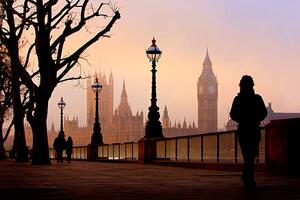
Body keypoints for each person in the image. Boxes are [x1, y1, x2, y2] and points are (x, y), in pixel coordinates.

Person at [230, 75, 267, 190]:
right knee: (250, 156)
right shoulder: (257, 98)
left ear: (240, 85)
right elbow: (264, 113)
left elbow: (232, 114)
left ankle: (247, 178)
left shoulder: (237, 99)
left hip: (243, 130)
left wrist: (242, 119)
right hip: (254, 129)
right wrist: (255, 119)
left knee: (248, 156)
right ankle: (249, 179)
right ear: (252, 85)